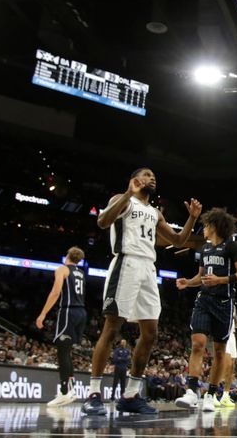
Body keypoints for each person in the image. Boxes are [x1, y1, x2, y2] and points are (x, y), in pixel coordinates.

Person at [81, 168, 202, 416]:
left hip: (148, 268)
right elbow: (102, 222)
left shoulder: (155, 212)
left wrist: (192, 218)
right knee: (112, 328)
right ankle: (93, 394)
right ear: (135, 180)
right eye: (147, 174)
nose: (152, 177)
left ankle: (131, 394)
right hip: (126, 263)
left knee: (150, 333)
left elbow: (178, 241)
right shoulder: (121, 199)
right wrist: (128, 193)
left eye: (154, 175)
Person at [176, 208, 237, 412]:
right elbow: (200, 277)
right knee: (197, 343)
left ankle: (210, 394)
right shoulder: (204, 249)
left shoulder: (232, 247)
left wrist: (220, 280)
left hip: (224, 303)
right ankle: (191, 391)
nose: (203, 229)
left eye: (206, 225)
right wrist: (187, 282)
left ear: (214, 226)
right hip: (204, 301)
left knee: (218, 352)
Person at [36, 246, 88, 407]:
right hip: (81, 312)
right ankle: (69, 390)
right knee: (66, 351)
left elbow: (56, 291)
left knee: (62, 351)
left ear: (67, 255)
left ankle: (65, 392)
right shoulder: (81, 273)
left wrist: (43, 313)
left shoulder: (62, 269)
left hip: (68, 312)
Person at [219, 308, 237, 408]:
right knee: (224, 365)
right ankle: (211, 393)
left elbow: (235, 323)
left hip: (232, 336)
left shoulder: (233, 305)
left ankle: (225, 395)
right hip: (222, 333)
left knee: (231, 367)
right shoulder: (220, 299)